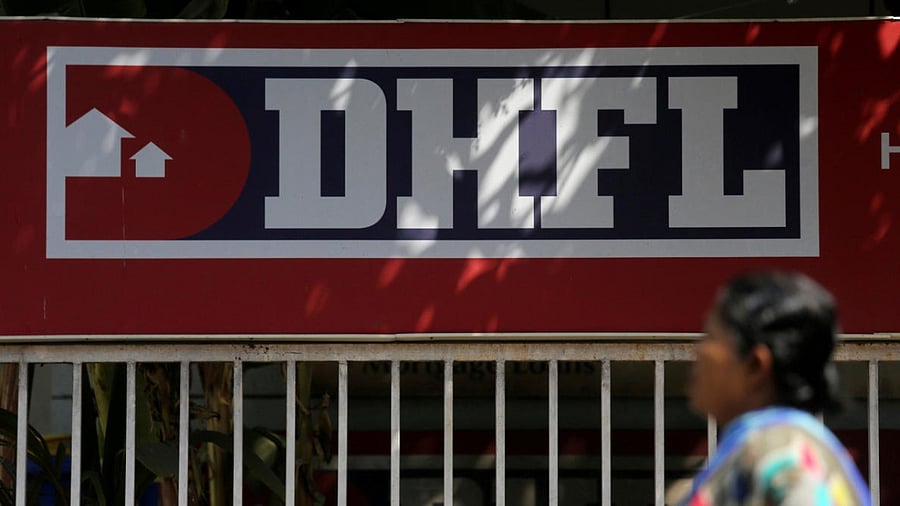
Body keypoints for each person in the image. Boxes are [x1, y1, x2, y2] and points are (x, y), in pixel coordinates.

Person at [681, 271, 872, 506]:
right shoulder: (767, 444)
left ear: (755, 365)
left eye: (711, 337)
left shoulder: (781, 451)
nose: (699, 351)